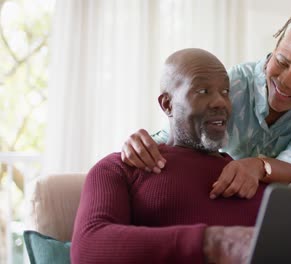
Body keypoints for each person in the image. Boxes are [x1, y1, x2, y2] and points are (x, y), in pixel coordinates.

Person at [122, 11, 291, 200]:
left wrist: (257, 167)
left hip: (258, 201)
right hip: (210, 188)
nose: (286, 81)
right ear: (274, 51)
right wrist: (142, 145)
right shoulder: (234, 84)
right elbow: (181, 131)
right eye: (282, 62)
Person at [71, 48, 267, 264]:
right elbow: (88, 249)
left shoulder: (252, 179)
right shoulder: (120, 167)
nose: (221, 102)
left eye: (225, 91)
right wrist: (216, 243)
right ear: (167, 104)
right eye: (202, 91)